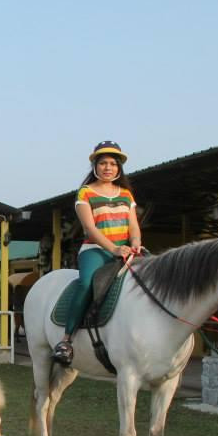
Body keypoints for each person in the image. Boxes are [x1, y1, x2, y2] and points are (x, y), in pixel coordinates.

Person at [52, 141, 142, 365]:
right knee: (86, 284)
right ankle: (66, 339)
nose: (108, 167)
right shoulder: (86, 193)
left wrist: (137, 242)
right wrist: (113, 248)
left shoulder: (126, 195)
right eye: (103, 163)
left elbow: (133, 225)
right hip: (95, 249)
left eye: (113, 163)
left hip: (126, 249)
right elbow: (90, 228)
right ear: (95, 166)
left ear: (119, 168)